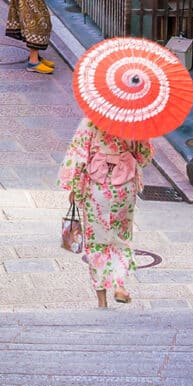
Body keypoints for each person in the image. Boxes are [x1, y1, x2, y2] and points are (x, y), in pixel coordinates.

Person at [59, 116, 148, 307]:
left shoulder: (92, 120)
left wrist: (75, 187)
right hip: (124, 186)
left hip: (97, 186)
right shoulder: (135, 119)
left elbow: (79, 155)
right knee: (121, 238)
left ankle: (102, 302)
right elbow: (144, 154)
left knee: (97, 242)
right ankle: (119, 285)